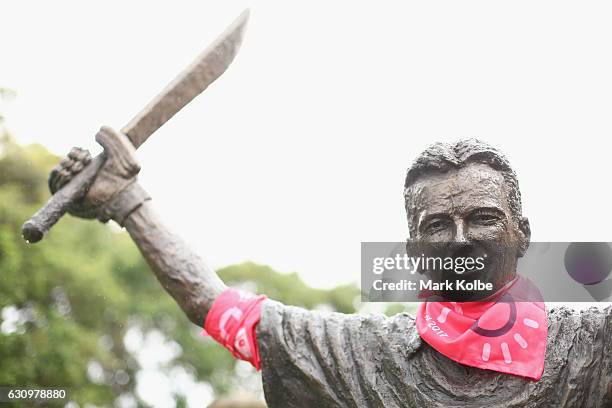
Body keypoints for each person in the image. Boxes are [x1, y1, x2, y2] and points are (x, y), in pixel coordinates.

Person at [49, 135, 611, 407]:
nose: (460, 240)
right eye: (438, 224)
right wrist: (128, 202)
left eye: (484, 219)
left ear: (524, 235)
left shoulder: (593, 344)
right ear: (414, 249)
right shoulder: (365, 354)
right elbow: (217, 307)